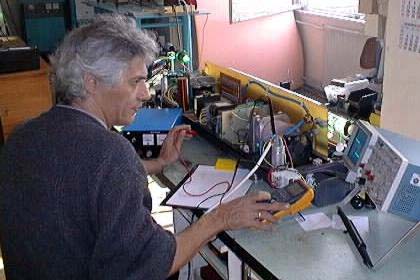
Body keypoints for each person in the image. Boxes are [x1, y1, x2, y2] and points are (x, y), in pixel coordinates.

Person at [0, 15, 288, 280]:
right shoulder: (111, 154)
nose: (146, 93)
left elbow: (79, 184)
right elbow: (151, 264)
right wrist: (221, 217)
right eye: (136, 81)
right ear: (91, 82)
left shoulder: (23, 136)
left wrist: (158, 164)